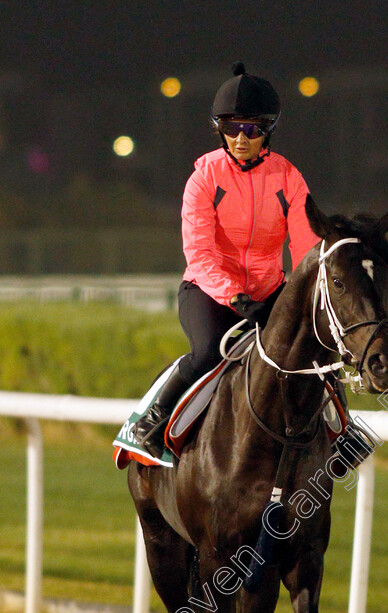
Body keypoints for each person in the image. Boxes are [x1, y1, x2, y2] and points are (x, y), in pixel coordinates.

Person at [134, 62, 320, 457]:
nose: (240, 137)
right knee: (207, 351)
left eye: (251, 129)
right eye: (230, 127)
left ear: (268, 129)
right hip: (208, 291)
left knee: (311, 351)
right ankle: (152, 420)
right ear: (219, 127)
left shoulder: (289, 178)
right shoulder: (203, 179)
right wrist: (235, 298)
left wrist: (301, 295)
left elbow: (305, 248)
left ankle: (341, 437)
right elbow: (199, 253)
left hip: (269, 291)